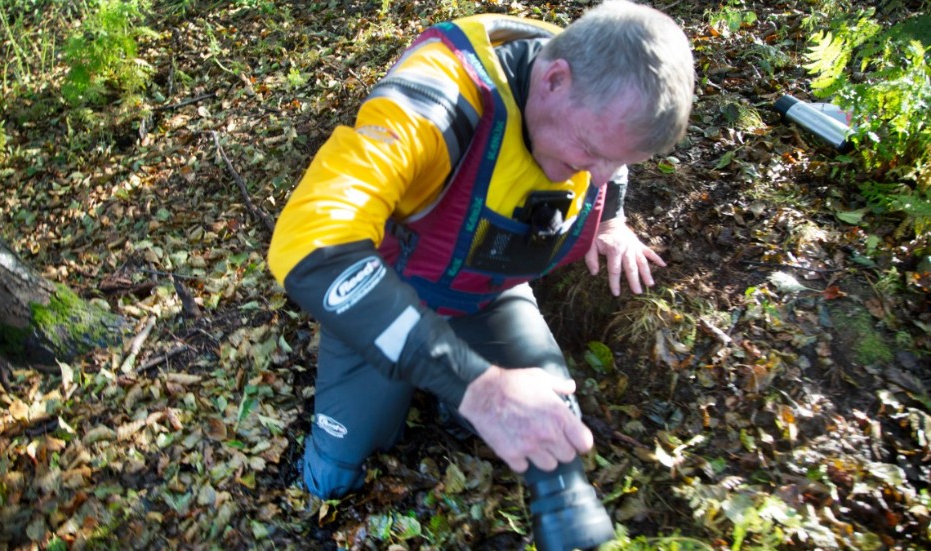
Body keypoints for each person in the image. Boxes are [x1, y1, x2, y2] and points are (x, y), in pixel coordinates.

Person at [267, 1, 694, 549]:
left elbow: (614, 156)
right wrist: (480, 389)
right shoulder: (436, 101)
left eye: (615, 161)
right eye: (589, 153)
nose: (601, 174)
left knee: (554, 420)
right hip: (391, 292)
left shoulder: (594, 88)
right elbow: (311, 245)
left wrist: (611, 221)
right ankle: (412, 410)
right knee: (339, 465)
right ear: (554, 80)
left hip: (488, 294)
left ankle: (455, 399)